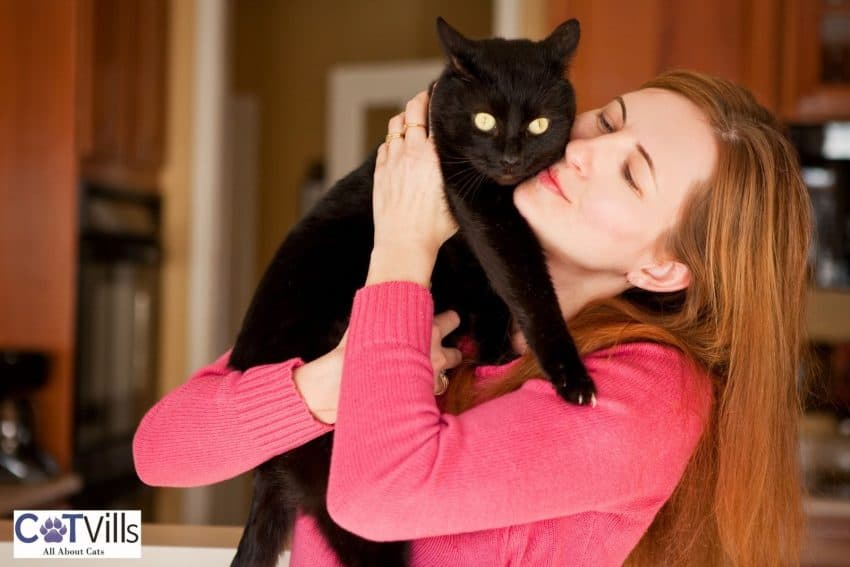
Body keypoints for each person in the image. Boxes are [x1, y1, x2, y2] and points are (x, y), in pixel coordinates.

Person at [133, 70, 812, 566]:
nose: (581, 149)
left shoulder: (648, 393)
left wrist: (399, 244)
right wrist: (328, 383)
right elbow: (161, 450)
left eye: (631, 174)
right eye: (606, 120)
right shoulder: (445, 277)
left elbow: (376, 496)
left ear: (662, 267)